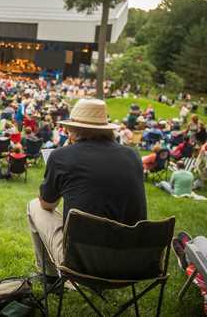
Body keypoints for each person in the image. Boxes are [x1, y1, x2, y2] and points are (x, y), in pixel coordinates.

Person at [27, 99, 146, 277]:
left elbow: (47, 204)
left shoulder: (61, 156)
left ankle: (49, 275)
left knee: (34, 205)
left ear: (73, 130)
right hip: (132, 261)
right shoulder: (133, 155)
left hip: (81, 263)